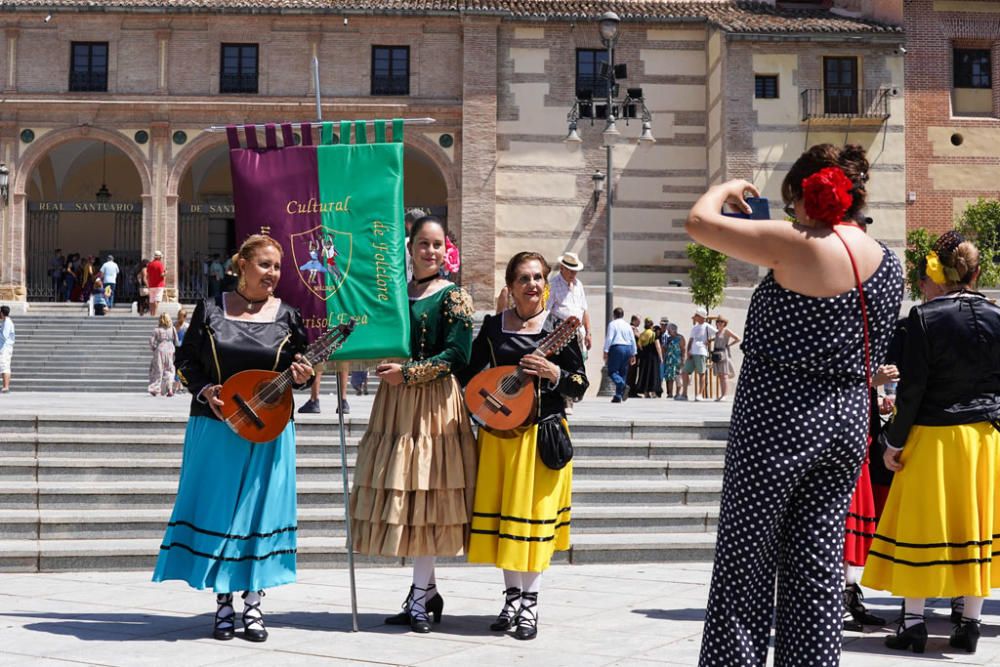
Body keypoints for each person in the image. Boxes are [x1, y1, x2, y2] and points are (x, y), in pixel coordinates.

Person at [687, 143, 903, 666]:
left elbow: (699, 221)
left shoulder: (798, 244)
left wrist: (727, 188)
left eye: (792, 205)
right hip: (847, 423)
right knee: (818, 567)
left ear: (809, 196)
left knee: (746, 565)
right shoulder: (890, 263)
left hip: (779, 420)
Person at [152, 234, 315, 644]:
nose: (273, 275)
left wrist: (305, 375)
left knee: (260, 513)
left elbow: (304, 368)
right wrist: (205, 389)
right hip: (217, 425)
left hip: (270, 428)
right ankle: (223, 604)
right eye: (264, 265)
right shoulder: (209, 310)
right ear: (240, 265)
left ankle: (254, 603)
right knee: (221, 512)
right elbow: (185, 364)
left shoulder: (289, 316)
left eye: (277, 267)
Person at [864, 232, 1000, 655]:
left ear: (938, 272)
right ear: (977, 273)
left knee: (921, 527)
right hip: (983, 438)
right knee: (972, 528)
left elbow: (913, 390)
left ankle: (913, 622)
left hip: (933, 434)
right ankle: (970, 624)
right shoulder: (998, 317)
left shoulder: (925, 318)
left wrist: (893, 440)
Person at [350, 215, 478, 634]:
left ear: (447, 250)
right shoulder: (396, 295)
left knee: (427, 495)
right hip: (395, 407)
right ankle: (427, 590)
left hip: (434, 406)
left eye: (438, 244)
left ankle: (420, 595)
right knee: (408, 497)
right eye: (423, 243)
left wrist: (407, 374)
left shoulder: (453, 297)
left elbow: (458, 357)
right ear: (410, 248)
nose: (430, 251)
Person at [460, 251, 589, 641]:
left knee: (533, 526)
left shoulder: (558, 328)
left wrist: (555, 372)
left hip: (541, 436)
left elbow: (580, 385)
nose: (532, 285)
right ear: (511, 286)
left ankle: (530, 602)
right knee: (505, 525)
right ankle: (511, 597)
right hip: (500, 437)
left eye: (538, 278)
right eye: (524, 279)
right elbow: (468, 371)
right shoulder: (494, 327)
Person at [546, 252, 592, 414]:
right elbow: (546, 310)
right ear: (563, 268)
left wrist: (588, 332)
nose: (574, 274)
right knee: (564, 364)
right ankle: (566, 399)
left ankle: (574, 393)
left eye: (575, 271)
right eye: (571, 270)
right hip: (561, 329)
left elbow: (584, 309)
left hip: (577, 330)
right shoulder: (552, 285)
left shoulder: (578, 285)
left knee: (577, 364)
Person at [678, 307, 716, 401]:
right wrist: (688, 351)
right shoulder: (694, 327)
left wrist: (709, 340)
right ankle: (684, 394)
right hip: (692, 352)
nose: (695, 317)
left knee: (701, 373)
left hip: (701, 352)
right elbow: (691, 340)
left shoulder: (707, 326)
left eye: (697, 315)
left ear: (701, 317)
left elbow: (718, 333)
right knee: (685, 372)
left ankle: (700, 394)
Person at [604, 307, 637, 403]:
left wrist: (606, 350)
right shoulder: (627, 325)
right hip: (628, 348)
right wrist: (634, 353)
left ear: (614, 315)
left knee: (612, 371)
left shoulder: (612, 324)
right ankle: (618, 396)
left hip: (617, 347)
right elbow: (632, 339)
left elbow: (609, 338)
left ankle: (622, 385)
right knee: (623, 372)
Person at [148, 312, 179, 397]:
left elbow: (151, 342)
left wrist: (154, 348)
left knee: (158, 370)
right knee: (170, 370)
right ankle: (169, 389)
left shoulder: (156, 330)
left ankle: (156, 389)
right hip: (170, 350)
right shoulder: (172, 329)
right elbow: (176, 341)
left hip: (160, 349)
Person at [710, 317, 741, 401]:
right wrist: (709, 340)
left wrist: (729, 345)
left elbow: (738, 338)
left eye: (722, 321)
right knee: (720, 375)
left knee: (724, 375)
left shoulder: (726, 331)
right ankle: (722, 395)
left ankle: (724, 395)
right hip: (716, 354)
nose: (719, 323)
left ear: (724, 323)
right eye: (718, 321)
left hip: (723, 354)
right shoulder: (717, 333)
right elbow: (716, 339)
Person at [634, 318, 663, 398]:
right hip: (653, 357)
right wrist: (661, 357)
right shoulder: (653, 334)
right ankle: (653, 392)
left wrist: (643, 350)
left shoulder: (642, 334)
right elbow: (658, 346)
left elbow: (639, 345)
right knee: (653, 373)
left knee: (644, 373)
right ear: (651, 325)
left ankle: (645, 392)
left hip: (644, 357)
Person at [661, 322, 685, 399]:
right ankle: (670, 393)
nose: (668, 332)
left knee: (678, 377)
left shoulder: (680, 338)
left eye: (669, 330)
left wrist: (683, 359)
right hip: (669, 360)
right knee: (670, 377)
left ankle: (678, 393)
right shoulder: (669, 339)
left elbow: (683, 349)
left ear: (674, 330)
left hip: (677, 360)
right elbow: (665, 348)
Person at [147, 251, 167, 317]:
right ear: (159, 257)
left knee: (151, 300)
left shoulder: (150, 264)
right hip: (159, 285)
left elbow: (148, 273)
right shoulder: (160, 264)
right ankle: (154, 314)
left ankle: (151, 313)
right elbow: (162, 274)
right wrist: (166, 273)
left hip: (151, 284)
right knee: (157, 300)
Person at [0, 306, 14, 394]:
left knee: (5, 366)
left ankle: (6, 386)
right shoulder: (5, 322)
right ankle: (5, 386)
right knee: (2, 366)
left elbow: (4, 336)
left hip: (5, 348)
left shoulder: (7, 322)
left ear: (2, 313)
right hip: (4, 348)